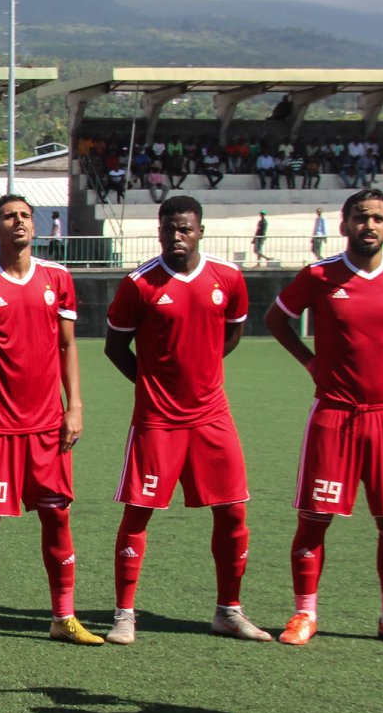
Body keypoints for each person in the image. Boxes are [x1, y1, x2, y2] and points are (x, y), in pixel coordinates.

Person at [265, 189, 383, 648]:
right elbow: (276, 318)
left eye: (379, 218)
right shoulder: (320, 275)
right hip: (335, 415)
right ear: (343, 225)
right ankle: (304, 613)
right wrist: (310, 362)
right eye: (361, 217)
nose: (370, 225)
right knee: (315, 518)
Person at [100, 196, 270, 646]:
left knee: (233, 511)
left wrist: (205, 375)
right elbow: (115, 348)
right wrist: (152, 385)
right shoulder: (139, 284)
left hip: (212, 416)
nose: (177, 236)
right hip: (158, 420)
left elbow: (232, 333)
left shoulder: (228, 278)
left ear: (200, 231)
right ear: (158, 231)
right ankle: (124, 614)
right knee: (139, 513)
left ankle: (229, 611)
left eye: (186, 229)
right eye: (169, 228)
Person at [0, 195, 102, 648]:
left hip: (47, 427)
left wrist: (74, 405)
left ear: (34, 227)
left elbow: (68, 346)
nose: (18, 223)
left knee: (58, 517)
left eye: (24, 217)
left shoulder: (58, 278)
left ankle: (64, 615)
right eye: (8, 218)